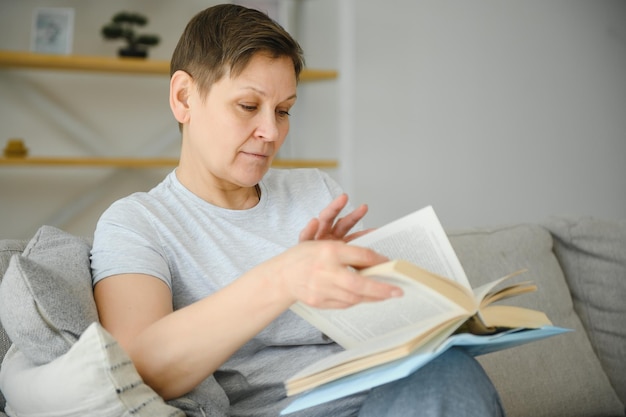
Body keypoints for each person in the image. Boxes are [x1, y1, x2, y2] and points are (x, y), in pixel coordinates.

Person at [90, 4, 505, 417]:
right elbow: (135, 368)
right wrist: (287, 276)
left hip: (389, 395)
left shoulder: (313, 190)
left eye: (284, 110)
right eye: (249, 106)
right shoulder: (137, 222)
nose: (271, 132)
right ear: (184, 98)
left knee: (449, 368)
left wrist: (369, 288)